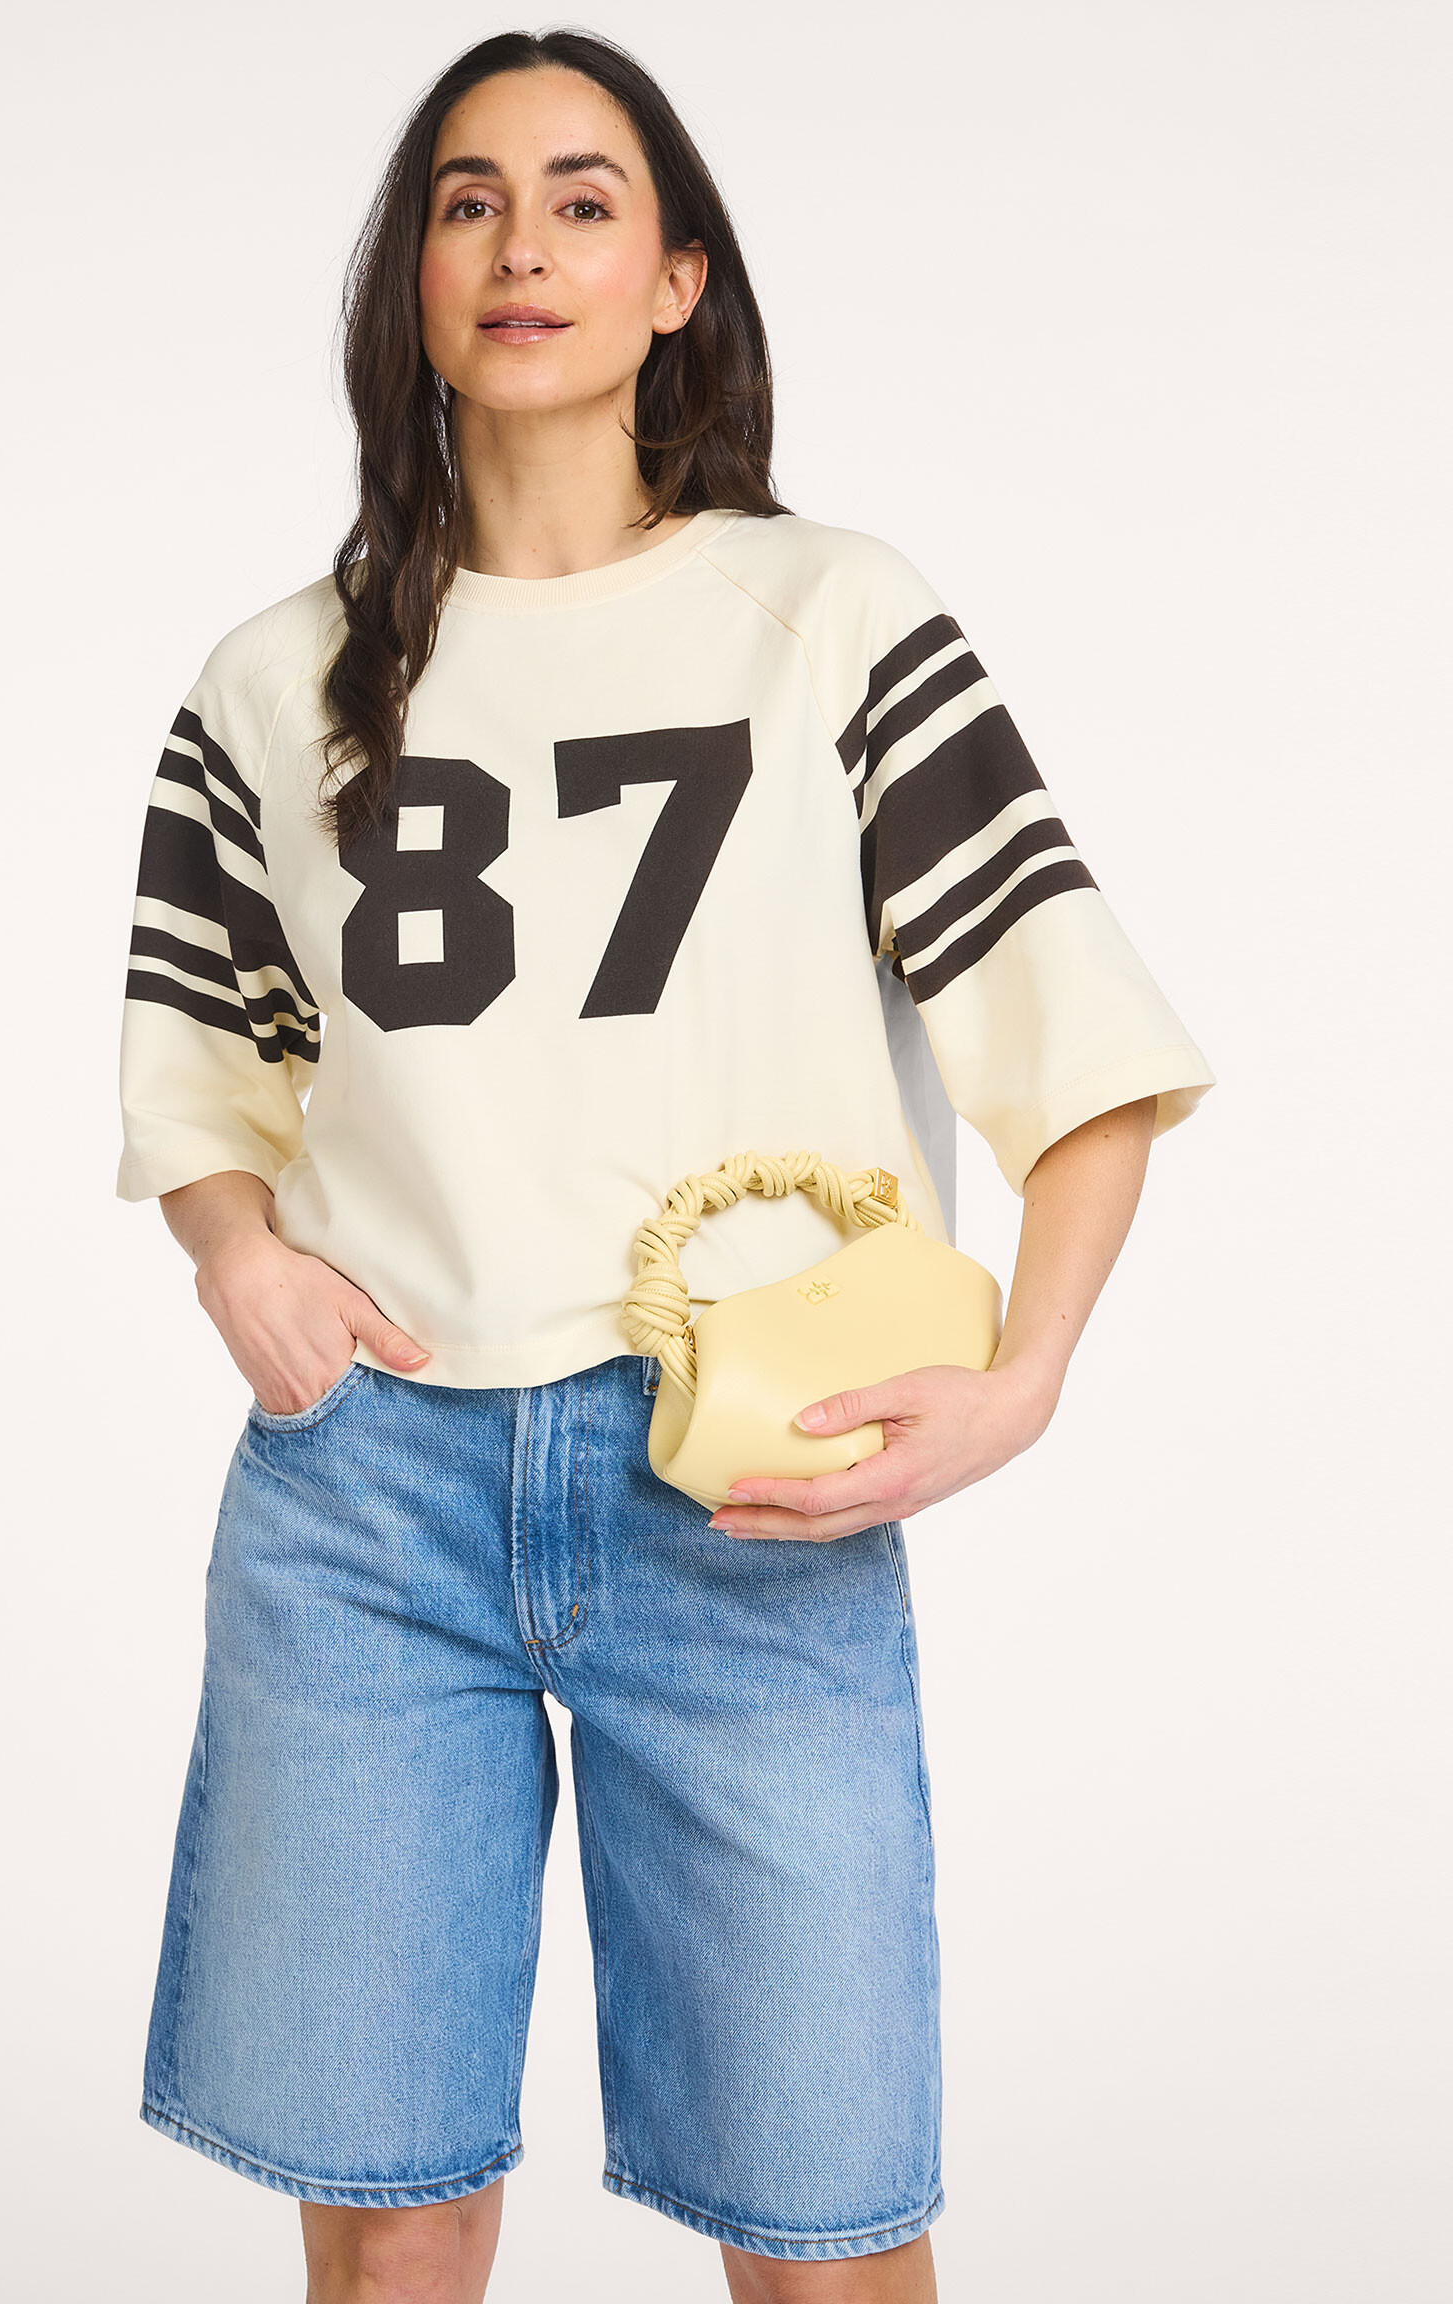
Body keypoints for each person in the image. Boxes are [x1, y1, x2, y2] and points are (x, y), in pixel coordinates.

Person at [114, 29, 1215, 2304]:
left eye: (584, 199)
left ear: (677, 279)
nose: (523, 245)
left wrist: (1026, 1378)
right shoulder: (274, 681)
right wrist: (240, 1261)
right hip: (371, 1498)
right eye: (470, 199)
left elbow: (1079, 1047)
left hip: (746, 1491)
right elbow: (206, 1077)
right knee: (394, 2230)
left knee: (823, 2230)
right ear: (412, 276)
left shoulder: (830, 620)